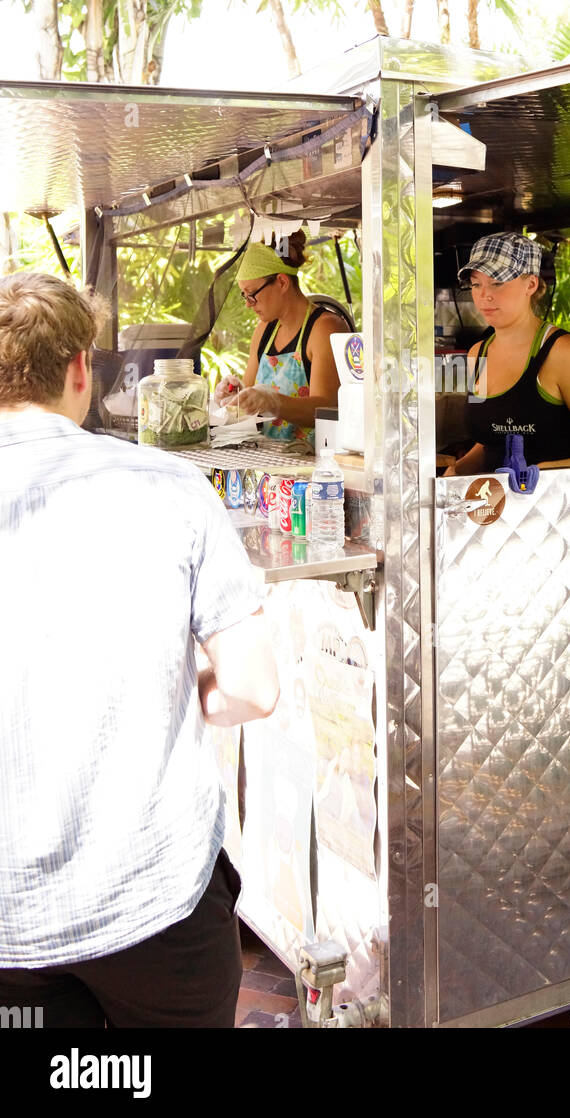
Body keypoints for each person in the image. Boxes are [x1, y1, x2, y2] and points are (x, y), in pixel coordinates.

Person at [0, 271, 279, 1028]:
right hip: (154, 898)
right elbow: (254, 687)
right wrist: (162, 691)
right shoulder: (169, 486)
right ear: (80, 369)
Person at [445, 231, 570, 475]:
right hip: (489, 507)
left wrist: (536, 473)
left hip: (550, 507)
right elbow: (488, 443)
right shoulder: (477, 354)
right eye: (476, 284)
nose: (485, 295)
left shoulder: (564, 353)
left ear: (531, 284)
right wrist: (453, 476)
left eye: (497, 282)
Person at [214, 232, 343, 446]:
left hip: (314, 462)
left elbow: (328, 408)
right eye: (244, 295)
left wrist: (274, 402)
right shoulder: (264, 330)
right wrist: (235, 396)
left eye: (252, 293)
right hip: (271, 461)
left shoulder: (325, 328)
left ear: (282, 282)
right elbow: (249, 397)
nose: (248, 303)